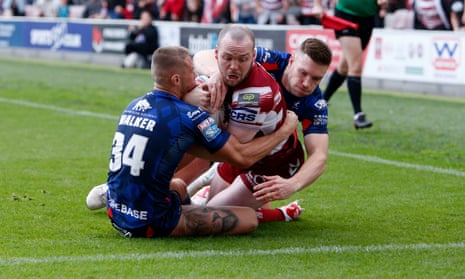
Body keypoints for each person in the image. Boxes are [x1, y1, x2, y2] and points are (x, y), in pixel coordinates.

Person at [101, 45, 298, 238]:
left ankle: (189, 211)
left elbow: (197, 150)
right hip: (151, 220)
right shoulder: (190, 116)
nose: (196, 76)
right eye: (191, 72)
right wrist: (284, 131)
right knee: (248, 219)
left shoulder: (133, 104)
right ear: (176, 79)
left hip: (117, 210)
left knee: (178, 184)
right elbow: (241, 156)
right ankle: (280, 214)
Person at [190, 35, 332, 223]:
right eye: (303, 73)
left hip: (276, 160)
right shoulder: (269, 60)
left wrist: (292, 184)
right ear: (291, 60)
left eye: (316, 79)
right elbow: (203, 56)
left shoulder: (315, 103)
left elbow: (319, 155)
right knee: (210, 208)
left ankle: (281, 213)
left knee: (210, 216)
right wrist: (217, 74)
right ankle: (214, 182)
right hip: (244, 143)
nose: (307, 83)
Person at [313, 0, 388, 129]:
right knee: (356, 66)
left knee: (344, 67)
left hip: (368, 18)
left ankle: (320, 103)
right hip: (345, 16)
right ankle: (358, 115)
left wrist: (384, 5)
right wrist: (317, 5)